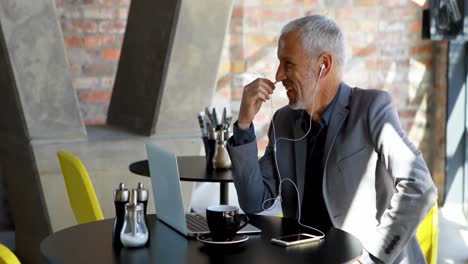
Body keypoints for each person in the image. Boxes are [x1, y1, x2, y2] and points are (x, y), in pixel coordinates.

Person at [227, 15, 437, 264]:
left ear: (323, 65)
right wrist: (244, 124)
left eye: (288, 63)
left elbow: (420, 188)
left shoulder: (371, 108)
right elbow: (253, 201)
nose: (278, 75)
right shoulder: (284, 122)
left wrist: (370, 258)